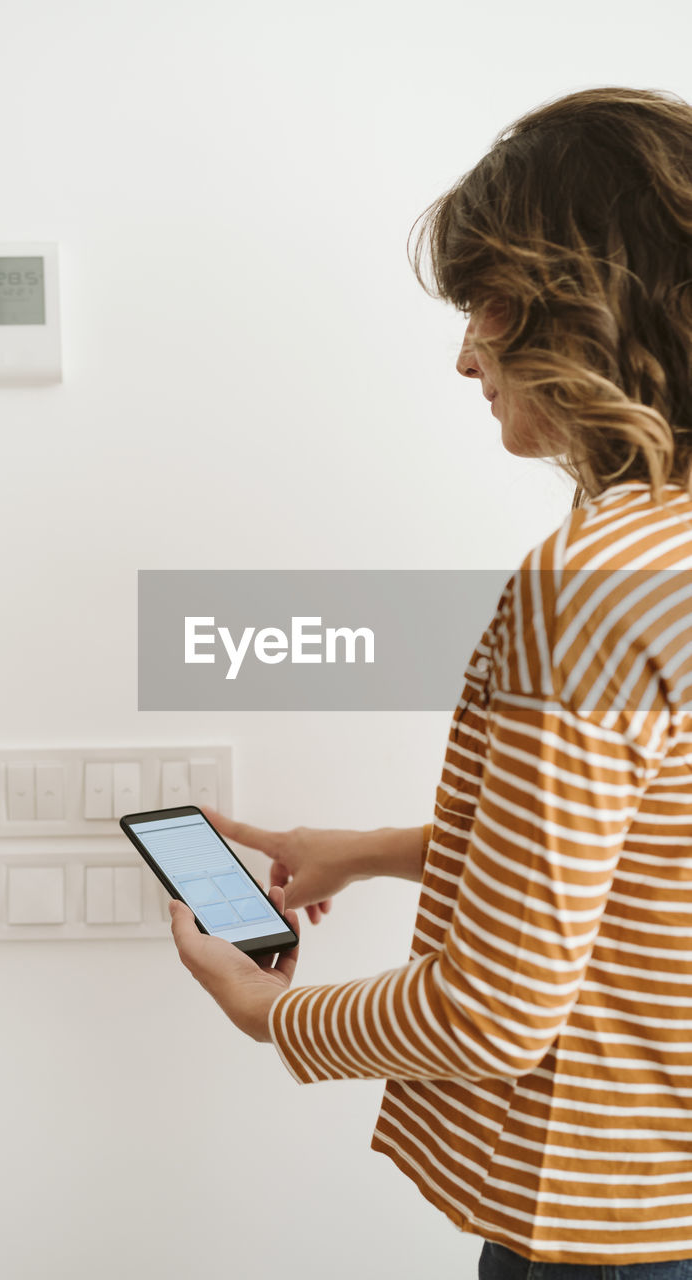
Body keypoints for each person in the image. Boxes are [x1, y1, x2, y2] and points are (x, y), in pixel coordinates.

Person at [168, 86, 692, 1278]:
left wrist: (265, 1014)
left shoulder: (599, 578)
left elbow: (489, 1014)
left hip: (611, 1223)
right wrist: (393, 845)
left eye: (489, 307)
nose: (465, 355)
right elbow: (657, 843)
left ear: (594, 307)